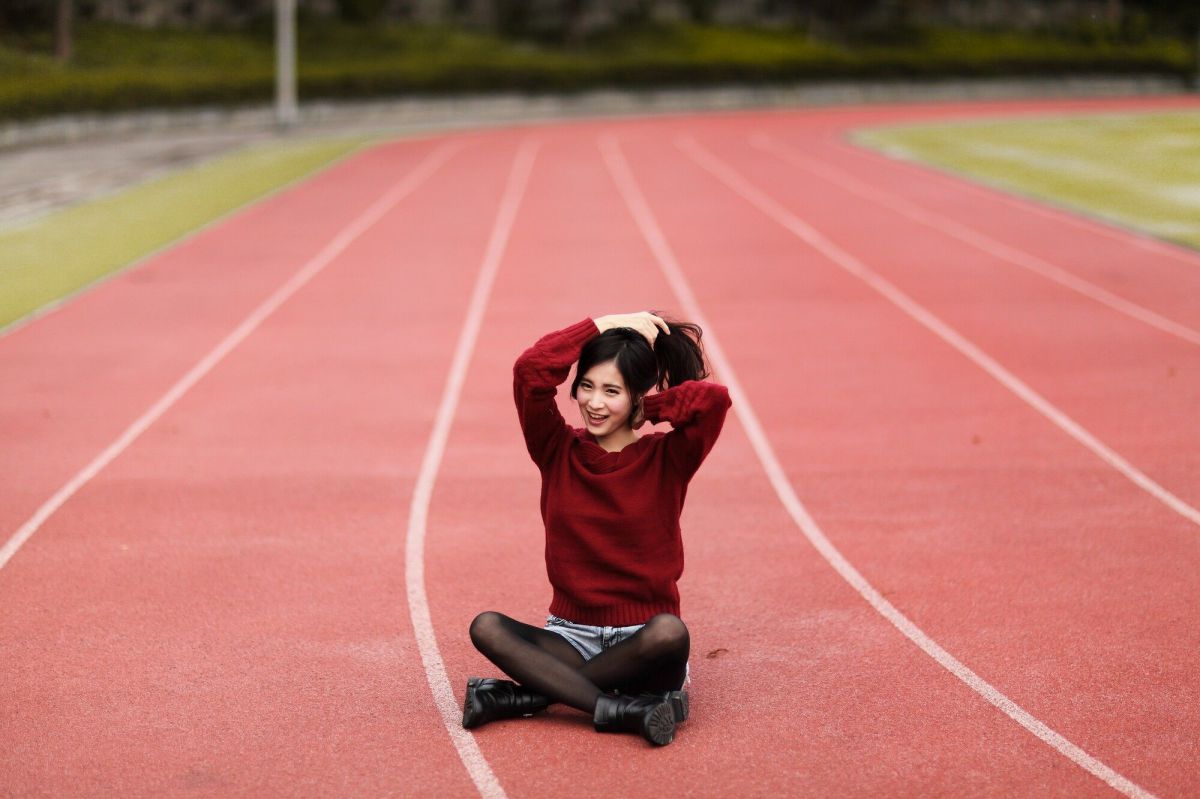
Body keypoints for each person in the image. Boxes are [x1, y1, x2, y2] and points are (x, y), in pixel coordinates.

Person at [462, 311, 731, 746]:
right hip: (571, 636)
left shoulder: (669, 458)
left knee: (670, 632)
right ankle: (620, 709)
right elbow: (530, 369)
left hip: (645, 641)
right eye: (586, 386)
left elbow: (713, 401)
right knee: (486, 626)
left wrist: (650, 409)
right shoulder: (555, 447)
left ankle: (526, 697)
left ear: (636, 397)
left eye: (612, 391)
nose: (594, 402)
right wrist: (601, 325)